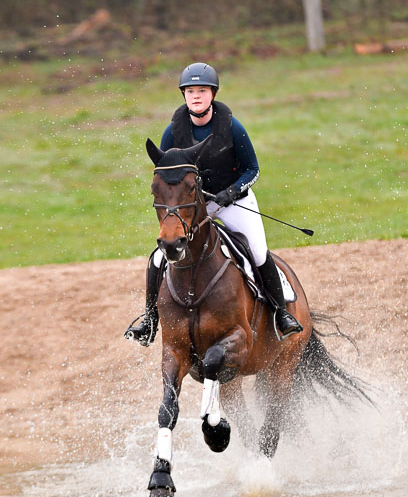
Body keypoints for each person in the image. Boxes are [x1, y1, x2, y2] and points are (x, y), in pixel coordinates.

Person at [126, 61, 303, 346]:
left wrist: (231, 191)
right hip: (195, 208)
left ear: (213, 94)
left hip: (234, 202)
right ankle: (149, 320)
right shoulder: (173, 132)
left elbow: (253, 170)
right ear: (184, 95)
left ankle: (281, 314)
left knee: (257, 252)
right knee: (159, 257)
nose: (196, 96)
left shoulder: (232, 127)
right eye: (190, 91)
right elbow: (168, 177)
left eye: (202, 91)